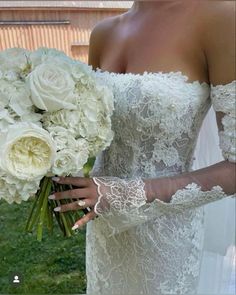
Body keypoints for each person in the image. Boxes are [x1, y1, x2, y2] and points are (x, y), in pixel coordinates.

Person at [50, 1, 236, 294]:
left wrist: (124, 194)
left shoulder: (221, 17)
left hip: (165, 232)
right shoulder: (103, 32)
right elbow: (91, 126)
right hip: (105, 227)